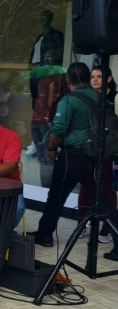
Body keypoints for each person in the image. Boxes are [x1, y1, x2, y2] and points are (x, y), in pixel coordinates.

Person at [29, 62, 118, 262]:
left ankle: (45, 235)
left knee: (56, 195)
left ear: (68, 80)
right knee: (100, 199)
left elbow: (59, 130)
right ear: (87, 78)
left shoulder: (69, 100)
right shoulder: (99, 97)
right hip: (93, 155)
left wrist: (50, 148)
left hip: (72, 155)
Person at [76, 65, 117, 242]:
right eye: (92, 76)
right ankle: (81, 223)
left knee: (107, 187)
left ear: (108, 79)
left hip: (108, 149)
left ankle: (109, 227)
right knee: (86, 185)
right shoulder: (85, 97)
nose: (94, 80)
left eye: (99, 76)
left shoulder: (114, 98)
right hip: (88, 148)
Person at [28, 50, 68, 187]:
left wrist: (46, 115)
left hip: (43, 120)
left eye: (50, 58)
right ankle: (45, 191)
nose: (47, 61)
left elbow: (49, 98)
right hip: (41, 119)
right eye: (46, 58)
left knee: (46, 158)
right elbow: (37, 98)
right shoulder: (48, 77)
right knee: (45, 158)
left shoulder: (54, 77)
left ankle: (46, 191)